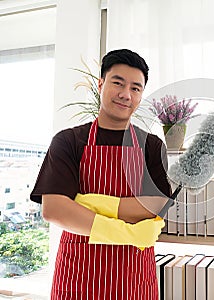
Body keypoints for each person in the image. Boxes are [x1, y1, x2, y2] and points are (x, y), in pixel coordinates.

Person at [30, 49, 171, 299]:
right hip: (79, 275)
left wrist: (87, 203)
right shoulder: (69, 141)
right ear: (101, 83)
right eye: (118, 82)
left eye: (136, 88)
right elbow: (54, 209)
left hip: (134, 276)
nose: (126, 94)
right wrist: (127, 232)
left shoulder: (151, 146)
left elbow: (157, 205)